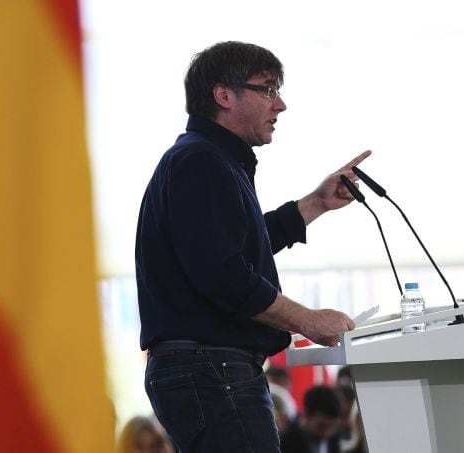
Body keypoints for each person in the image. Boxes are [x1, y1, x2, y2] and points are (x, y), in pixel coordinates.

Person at [135, 40, 371, 452]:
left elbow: (235, 247)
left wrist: (314, 204)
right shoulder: (201, 161)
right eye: (268, 89)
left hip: (208, 367)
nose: (280, 105)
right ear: (223, 95)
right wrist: (307, 319)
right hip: (211, 368)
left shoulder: (208, 159)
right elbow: (223, 275)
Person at [280, 386, 342, 453]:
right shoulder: (284, 442)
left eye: (332, 427)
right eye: (321, 426)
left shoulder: (334, 440)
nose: (327, 434)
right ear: (306, 414)